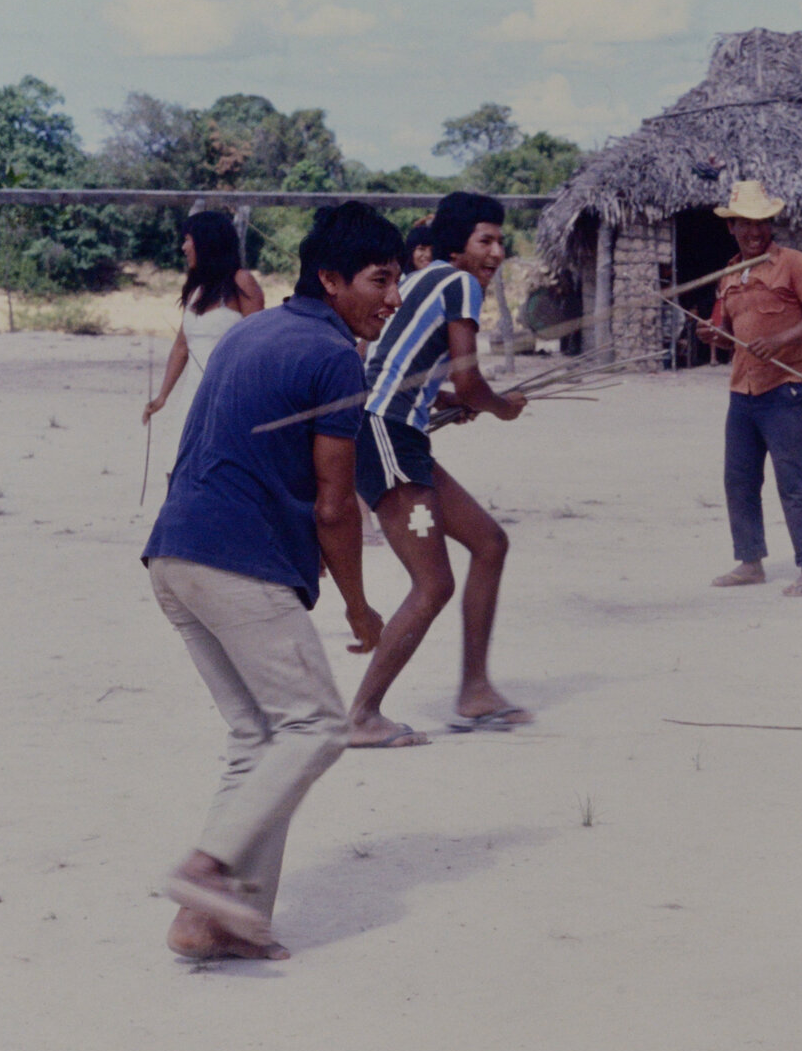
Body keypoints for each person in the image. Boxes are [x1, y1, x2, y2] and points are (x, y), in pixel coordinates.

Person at [143, 201, 403, 961]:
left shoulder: (253, 330)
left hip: (173, 556)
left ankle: (209, 923)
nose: (392, 297)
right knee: (318, 726)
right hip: (235, 561)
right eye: (379, 281)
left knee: (260, 736)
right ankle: (205, 869)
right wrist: (358, 608)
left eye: (397, 280)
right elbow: (334, 505)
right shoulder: (335, 359)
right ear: (330, 279)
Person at [347, 191, 529, 748]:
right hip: (388, 440)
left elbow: (398, 364)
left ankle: (474, 691)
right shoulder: (461, 284)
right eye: (485, 240)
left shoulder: (425, 277)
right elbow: (472, 380)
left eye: (501, 240)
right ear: (458, 244)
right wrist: (499, 407)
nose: (497, 251)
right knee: (433, 584)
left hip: (399, 436)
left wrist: (446, 399)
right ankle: (361, 715)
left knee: (489, 543)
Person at [698, 179, 802, 597]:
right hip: (742, 392)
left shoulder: (792, 262)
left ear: (771, 224)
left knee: (794, 481)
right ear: (732, 227)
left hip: (783, 389)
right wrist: (714, 337)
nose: (755, 232)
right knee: (739, 479)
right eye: (745, 224)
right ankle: (750, 561)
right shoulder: (728, 274)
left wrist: (780, 341)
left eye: (762, 224)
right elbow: (726, 328)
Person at [141, 210, 265, 431]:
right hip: (193, 396)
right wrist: (162, 396)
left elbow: (259, 347)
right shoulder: (196, 290)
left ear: (207, 243)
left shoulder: (242, 281)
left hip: (231, 397)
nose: (184, 248)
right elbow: (181, 347)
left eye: (188, 240)